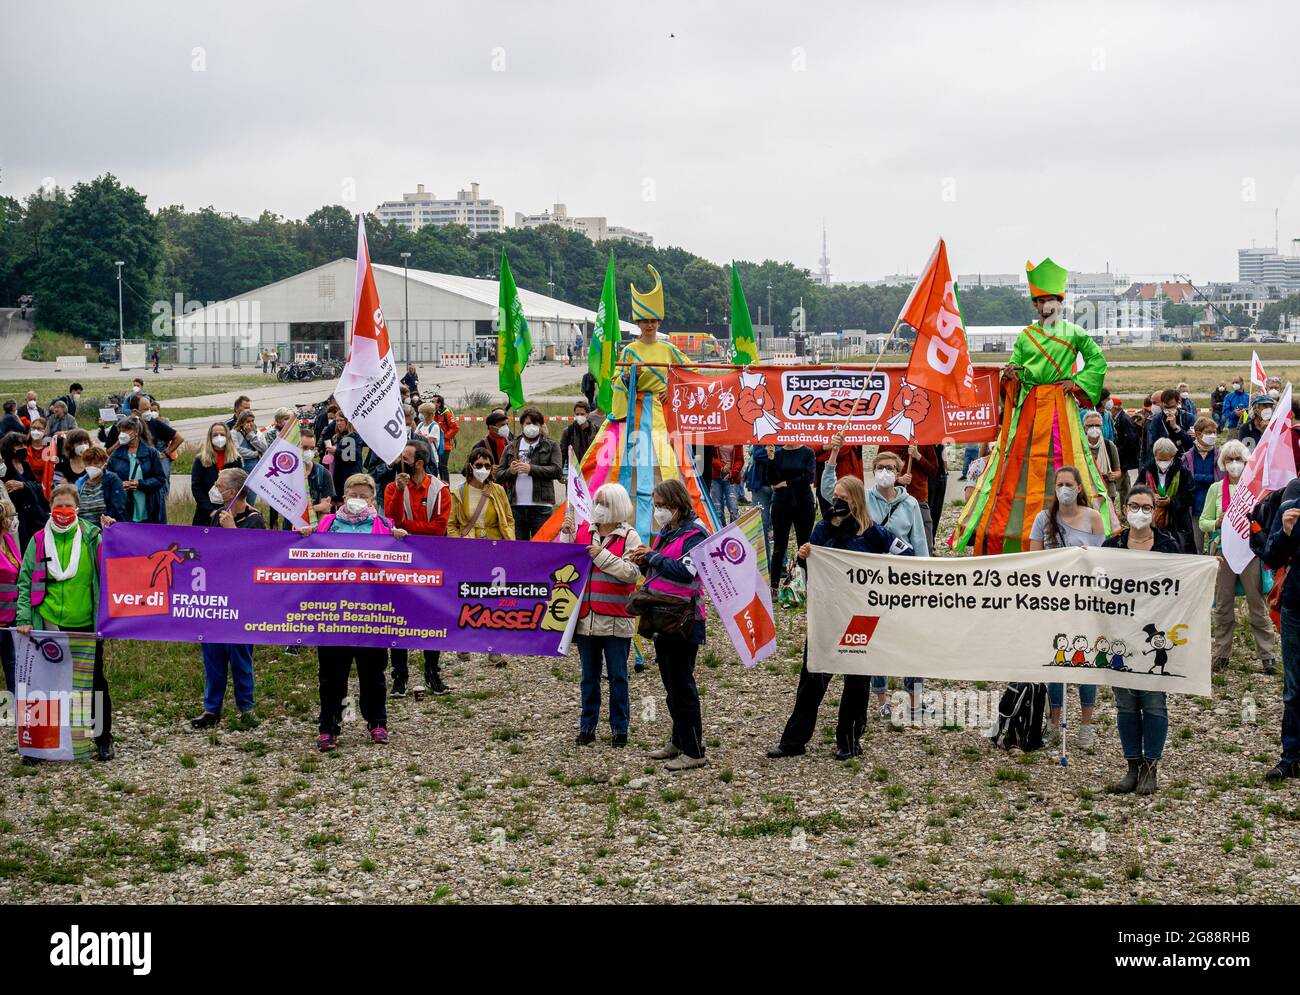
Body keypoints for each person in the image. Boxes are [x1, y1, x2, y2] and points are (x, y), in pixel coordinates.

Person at [954, 257, 1110, 553]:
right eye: (1040, 300)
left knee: (1066, 456)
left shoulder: (1074, 333)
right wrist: (1010, 375)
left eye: (1051, 299)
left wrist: (1076, 383)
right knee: (1018, 463)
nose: (1046, 305)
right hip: (1029, 409)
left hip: (1059, 408)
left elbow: (1097, 360)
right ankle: (1017, 525)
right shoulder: (1025, 337)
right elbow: (1014, 366)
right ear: (1036, 305)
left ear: (1059, 302)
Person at [770, 473, 914, 761]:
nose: (837, 502)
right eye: (835, 496)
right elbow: (810, 565)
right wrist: (802, 555)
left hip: (861, 616)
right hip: (827, 616)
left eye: (844, 498)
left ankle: (848, 741)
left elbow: (906, 554)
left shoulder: (872, 532)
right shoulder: (822, 529)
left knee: (856, 682)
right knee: (812, 680)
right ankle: (794, 741)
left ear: (856, 501)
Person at [298, 474, 408, 751]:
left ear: (372, 499)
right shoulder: (327, 524)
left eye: (364, 496)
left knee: (373, 673)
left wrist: (401, 541)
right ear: (344, 497)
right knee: (331, 674)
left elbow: (399, 564)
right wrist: (305, 537)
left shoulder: (384, 526)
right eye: (353, 495)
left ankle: (377, 722)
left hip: (371, 612)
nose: (358, 500)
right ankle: (328, 726)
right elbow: (309, 557)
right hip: (333, 612)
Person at [15, 484, 114, 761]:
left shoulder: (92, 536)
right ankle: (40, 744)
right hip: (47, 624)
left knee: (93, 682)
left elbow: (114, 565)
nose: (62, 512)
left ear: (77, 508)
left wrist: (115, 531)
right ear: (50, 508)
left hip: (85, 624)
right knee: (45, 684)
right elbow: (25, 582)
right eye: (58, 507)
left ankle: (102, 739)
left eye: (68, 507)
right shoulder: (37, 540)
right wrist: (24, 618)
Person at [1102, 485, 1181, 794]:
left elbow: (1183, 583)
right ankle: (1132, 766)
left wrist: (1205, 570)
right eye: (1134, 506)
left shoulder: (1168, 545)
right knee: (1124, 705)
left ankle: (1151, 767)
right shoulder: (1111, 546)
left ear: (1154, 511)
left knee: (1153, 703)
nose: (1140, 512)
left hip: (1153, 639)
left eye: (1146, 507)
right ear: (1124, 509)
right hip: (1119, 635)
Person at [627, 479, 708, 771]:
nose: (659, 511)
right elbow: (660, 567)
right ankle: (678, 740)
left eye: (663, 506)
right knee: (670, 685)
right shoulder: (667, 531)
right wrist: (643, 561)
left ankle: (695, 749)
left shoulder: (696, 534)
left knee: (683, 685)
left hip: (684, 620)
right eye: (656, 506)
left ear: (677, 505)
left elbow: (688, 571)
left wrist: (653, 556)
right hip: (660, 614)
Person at [1029, 465, 1106, 749]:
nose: (1064, 489)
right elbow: (1033, 559)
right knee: (1056, 661)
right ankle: (1054, 720)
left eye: (1068, 484)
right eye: (1059, 484)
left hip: (1085, 600)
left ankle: (1086, 725)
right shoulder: (1043, 519)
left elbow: (1103, 561)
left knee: (1084, 660)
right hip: (1053, 599)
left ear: (1079, 487)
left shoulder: (1093, 519)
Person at [561, 483, 641, 747]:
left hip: (617, 620)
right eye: (597, 502)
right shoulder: (585, 530)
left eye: (604, 503)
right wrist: (567, 537)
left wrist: (601, 556)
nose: (598, 508)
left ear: (617, 506)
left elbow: (632, 573)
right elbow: (566, 561)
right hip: (587, 619)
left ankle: (620, 728)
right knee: (588, 677)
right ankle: (587, 726)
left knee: (618, 676)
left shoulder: (630, 537)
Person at [191, 468, 263, 729]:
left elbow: (251, 558)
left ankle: (246, 708)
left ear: (232, 492)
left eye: (219, 485)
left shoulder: (254, 520)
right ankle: (212, 709)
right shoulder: (217, 517)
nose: (215, 488)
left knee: (240, 654)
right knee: (212, 653)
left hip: (241, 599)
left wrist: (232, 530)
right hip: (216, 596)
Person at [1200, 440, 1276, 674]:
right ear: (1223, 463)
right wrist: (1216, 522)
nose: (1234, 464)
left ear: (1247, 463)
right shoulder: (1215, 489)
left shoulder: (1255, 490)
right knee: (1222, 606)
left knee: (1257, 605)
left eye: (1239, 460)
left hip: (1250, 554)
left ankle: (1268, 655)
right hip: (1223, 554)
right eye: (1230, 460)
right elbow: (1203, 521)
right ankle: (1221, 654)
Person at [383, 439, 451, 697]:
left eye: (406, 458)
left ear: (419, 463)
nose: (401, 462)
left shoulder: (439, 490)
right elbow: (391, 519)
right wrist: (400, 493)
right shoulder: (393, 487)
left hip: (431, 562)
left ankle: (433, 673)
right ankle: (399, 677)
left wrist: (407, 529)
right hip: (400, 562)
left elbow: (438, 528)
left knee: (430, 618)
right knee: (398, 618)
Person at [448, 447, 514, 666]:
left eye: (487, 466)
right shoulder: (459, 491)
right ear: (470, 466)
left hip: (496, 551)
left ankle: (494, 647)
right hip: (469, 551)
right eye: (478, 465)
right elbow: (452, 524)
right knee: (467, 596)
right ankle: (464, 642)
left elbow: (509, 519)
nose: (483, 469)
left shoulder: (498, 491)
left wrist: (509, 544)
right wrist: (459, 545)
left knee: (494, 599)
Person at [1262, 479, 1300, 781]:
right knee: (1294, 686)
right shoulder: (1294, 493)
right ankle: (1291, 756)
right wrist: (1286, 532)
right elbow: (1271, 556)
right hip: (1296, 607)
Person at [497, 407, 562, 542]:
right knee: (519, 547)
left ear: (541, 426)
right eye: (528, 423)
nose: (531, 427)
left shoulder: (551, 446)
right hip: (516, 506)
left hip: (541, 506)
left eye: (535, 423)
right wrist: (511, 471)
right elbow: (498, 474)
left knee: (542, 547)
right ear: (522, 425)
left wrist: (531, 469)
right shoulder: (511, 447)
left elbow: (556, 470)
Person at [765, 442, 816, 601]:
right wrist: (771, 458)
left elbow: (808, 477)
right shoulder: (779, 453)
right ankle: (774, 586)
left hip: (803, 502)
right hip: (782, 502)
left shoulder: (808, 452)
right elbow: (772, 479)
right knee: (780, 545)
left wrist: (786, 483)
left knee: (804, 543)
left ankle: (804, 584)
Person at [879, 442, 940, 550]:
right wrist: (898, 479)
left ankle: (925, 564)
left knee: (925, 540)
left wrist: (918, 456)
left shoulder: (924, 441)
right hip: (892, 498)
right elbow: (878, 469)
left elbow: (934, 471)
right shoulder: (889, 439)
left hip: (918, 497)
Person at [106, 416, 167, 524]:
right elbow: (107, 480)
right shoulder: (116, 455)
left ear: (136, 431)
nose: (122, 434)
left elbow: (160, 479)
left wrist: (140, 484)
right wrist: (120, 485)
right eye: (121, 431)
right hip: (125, 508)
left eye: (126, 430)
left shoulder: (151, 453)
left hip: (148, 507)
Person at [1142, 436, 1194, 553]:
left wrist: (1171, 501)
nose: (1163, 463)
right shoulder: (1148, 470)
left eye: (1166, 460)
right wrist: (1150, 496)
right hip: (1152, 520)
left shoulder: (1183, 471)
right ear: (1155, 456)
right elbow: (1137, 490)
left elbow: (1189, 496)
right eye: (1160, 459)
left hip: (1177, 522)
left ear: (1173, 457)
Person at [1, 431, 49, 547]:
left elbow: (37, 486)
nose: (23, 448)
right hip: (19, 517)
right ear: (10, 448)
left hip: (35, 514)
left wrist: (23, 485)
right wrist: (26, 485)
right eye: (19, 446)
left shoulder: (25, 465)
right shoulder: (5, 468)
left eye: (24, 445)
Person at [1183, 416, 1223, 554]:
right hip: (1195, 509)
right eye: (1209, 432)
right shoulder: (1187, 457)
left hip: (1216, 512)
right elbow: (1187, 481)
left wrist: (1198, 478)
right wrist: (1208, 479)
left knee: (1216, 548)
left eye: (1214, 432)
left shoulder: (1221, 455)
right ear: (1198, 434)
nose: (1213, 435)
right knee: (1196, 548)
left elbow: (1221, 480)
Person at [191, 422, 243, 525]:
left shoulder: (236, 460)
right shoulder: (200, 460)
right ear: (210, 438)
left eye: (222, 434)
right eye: (215, 435)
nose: (219, 437)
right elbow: (197, 488)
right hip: (205, 514)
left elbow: (239, 488)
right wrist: (210, 511)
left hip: (229, 514)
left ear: (227, 437)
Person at [290, 428, 335, 528]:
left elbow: (325, 509)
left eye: (312, 448)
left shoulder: (323, 474)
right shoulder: (288, 474)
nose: (309, 452)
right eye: (305, 448)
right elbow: (288, 509)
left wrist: (315, 535)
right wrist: (316, 507)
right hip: (292, 528)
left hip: (317, 529)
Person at [0, 496, 21, 694]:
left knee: (12, 663)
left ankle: (16, 706)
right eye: (12, 515)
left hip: (10, 617)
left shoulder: (8, 541)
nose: (15, 519)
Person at [1082, 409, 1122, 511]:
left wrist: (1114, 475)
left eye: (1097, 425)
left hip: (1107, 491)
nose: (1094, 428)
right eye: (1090, 426)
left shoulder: (1109, 445)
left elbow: (1118, 471)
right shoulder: (1080, 446)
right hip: (1088, 492)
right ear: (1084, 427)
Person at [75, 446, 125, 523]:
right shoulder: (80, 483)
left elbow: (118, 507)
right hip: (83, 529)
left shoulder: (112, 480)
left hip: (105, 528)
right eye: (89, 463)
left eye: (96, 463)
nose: (92, 466)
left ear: (104, 463)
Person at [1145, 388, 1195, 465]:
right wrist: (1177, 443)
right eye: (1165, 407)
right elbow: (1154, 444)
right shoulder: (1156, 420)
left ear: (1178, 402)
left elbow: (1193, 441)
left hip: (1186, 460)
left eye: (1171, 407)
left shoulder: (1188, 418)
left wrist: (1177, 428)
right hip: (1164, 461)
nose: (1168, 410)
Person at [708, 443, 744, 527]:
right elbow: (710, 456)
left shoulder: (736, 439)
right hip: (716, 476)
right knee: (718, 510)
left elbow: (740, 460)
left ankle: (734, 533)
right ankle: (721, 533)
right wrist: (721, 467)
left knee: (733, 509)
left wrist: (732, 473)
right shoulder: (715, 436)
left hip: (731, 477)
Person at [559, 400, 596, 473]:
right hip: (574, 473)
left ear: (588, 414)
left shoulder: (596, 431)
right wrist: (560, 473)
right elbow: (562, 454)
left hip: (591, 471)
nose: (579, 416)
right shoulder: (568, 432)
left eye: (582, 414)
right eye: (577, 414)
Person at [25, 417, 56, 500]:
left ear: (45, 430)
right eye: (33, 428)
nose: (36, 431)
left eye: (39, 428)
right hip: (27, 488)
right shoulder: (24, 447)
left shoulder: (51, 448)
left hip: (45, 487)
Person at [412, 402, 445, 479]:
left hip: (431, 458)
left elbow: (428, 441)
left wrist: (420, 436)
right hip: (420, 457)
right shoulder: (420, 425)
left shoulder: (435, 426)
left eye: (422, 413)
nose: (420, 415)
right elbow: (414, 437)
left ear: (429, 414)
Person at [429, 394, 458, 482]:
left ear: (439, 403)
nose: (431, 403)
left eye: (433, 401)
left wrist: (444, 437)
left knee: (442, 467)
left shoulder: (446, 414)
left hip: (444, 446)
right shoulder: (433, 414)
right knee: (434, 466)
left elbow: (455, 428)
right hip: (434, 446)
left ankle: (446, 487)